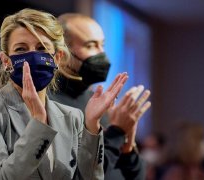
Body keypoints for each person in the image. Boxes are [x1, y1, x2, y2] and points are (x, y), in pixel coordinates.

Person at [0, 8, 129, 180]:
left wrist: (92, 125)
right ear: (6, 61)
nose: (32, 55)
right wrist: (39, 123)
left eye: (42, 48)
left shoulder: (73, 117)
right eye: (21, 49)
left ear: (58, 58)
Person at [48, 13, 151, 179]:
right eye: (91, 45)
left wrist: (128, 146)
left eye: (102, 45)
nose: (102, 54)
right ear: (61, 53)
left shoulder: (100, 101)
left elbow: (135, 176)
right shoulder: (46, 105)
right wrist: (117, 133)